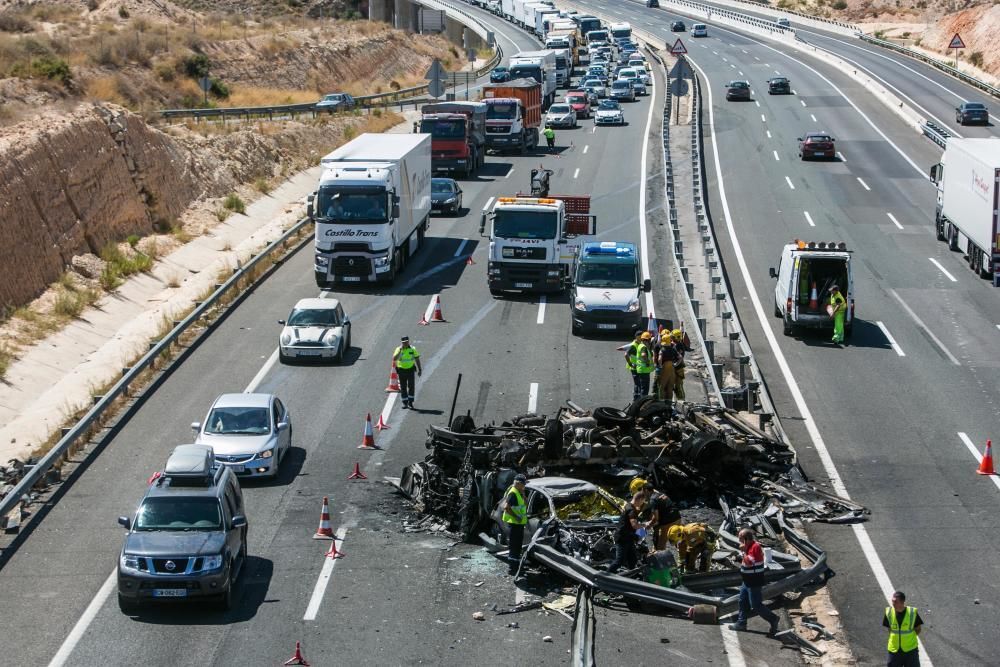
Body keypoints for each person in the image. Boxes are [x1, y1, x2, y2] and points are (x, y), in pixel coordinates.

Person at [728, 528, 780, 636]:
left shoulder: (754, 547)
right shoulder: (749, 546)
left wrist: (743, 551)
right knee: (742, 601)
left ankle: (773, 619)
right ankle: (741, 623)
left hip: (754, 581)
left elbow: (749, 562)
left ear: (746, 539)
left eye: (741, 540)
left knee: (756, 605)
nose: (739, 542)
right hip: (747, 580)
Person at [608, 489, 647, 573]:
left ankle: (632, 576)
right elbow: (635, 525)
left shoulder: (628, 505)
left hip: (629, 537)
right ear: (639, 499)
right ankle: (605, 576)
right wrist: (644, 525)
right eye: (642, 501)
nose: (642, 503)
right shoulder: (631, 510)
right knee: (619, 561)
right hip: (622, 538)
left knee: (633, 559)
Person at [882, 590, 922, 667]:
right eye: (892, 601)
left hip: (910, 650)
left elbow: (918, 629)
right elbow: (889, 629)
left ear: (902, 602)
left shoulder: (912, 613)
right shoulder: (889, 612)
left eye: (895, 601)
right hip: (894, 650)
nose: (893, 603)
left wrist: (908, 639)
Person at [501, 474, 528, 575]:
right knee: (514, 545)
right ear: (518, 483)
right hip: (514, 523)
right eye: (523, 484)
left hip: (519, 524)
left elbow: (525, 504)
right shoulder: (513, 493)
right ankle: (512, 568)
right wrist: (516, 517)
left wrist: (524, 494)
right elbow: (506, 507)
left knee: (517, 545)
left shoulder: (519, 492)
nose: (524, 486)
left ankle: (516, 565)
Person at [644, 483, 682, 550]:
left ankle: (661, 557)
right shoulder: (661, 494)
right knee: (679, 538)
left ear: (646, 490)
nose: (644, 494)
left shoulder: (653, 499)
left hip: (668, 522)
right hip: (677, 517)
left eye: (644, 491)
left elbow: (656, 518)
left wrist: (649, 525)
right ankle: (683, 556)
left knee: (660, 546)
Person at [392, 336, 422, 409]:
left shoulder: (412, 349)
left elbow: (417, 359)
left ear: (408, 341)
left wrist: (420, 369)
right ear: (401, 342)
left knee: (411, 386)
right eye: (404, 342)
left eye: (406, 341)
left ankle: (410, 402)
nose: (405, 343)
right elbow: (394, 358)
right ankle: (405, 403)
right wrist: (400, 351)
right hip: (401, 370)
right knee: (403, 387)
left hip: (410, 370)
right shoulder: (398, 349)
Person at [625, 330, 654, 400]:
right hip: (636, 368)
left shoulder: (640, 345)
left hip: (639, 368)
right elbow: (626, 355)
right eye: (639, 336)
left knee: (640, 386)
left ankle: (637, 400)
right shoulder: (635, 345)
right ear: (636, 337)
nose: (640, 338)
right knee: (639, 385)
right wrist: (630, 363)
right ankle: (637, 400)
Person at [657, 331, 679, 403]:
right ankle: (669, 402)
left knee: (662, 386)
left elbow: (660, 359)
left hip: (665, 368)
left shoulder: (662, 349)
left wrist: (660, 366)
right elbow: (680, 357)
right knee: (670, 386)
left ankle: (662, 402)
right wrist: (676, 364)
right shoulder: (673, 349)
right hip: (672, 368)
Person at [672, 329, 692, 402]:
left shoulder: (679, 346)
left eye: (673, 337)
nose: (672, 338)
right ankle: (676, 401)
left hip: (678, 368)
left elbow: (679, 358)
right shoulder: (677, 344)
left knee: (679, 386)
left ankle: (682, 401)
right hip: (675, 368)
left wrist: (674, 365)